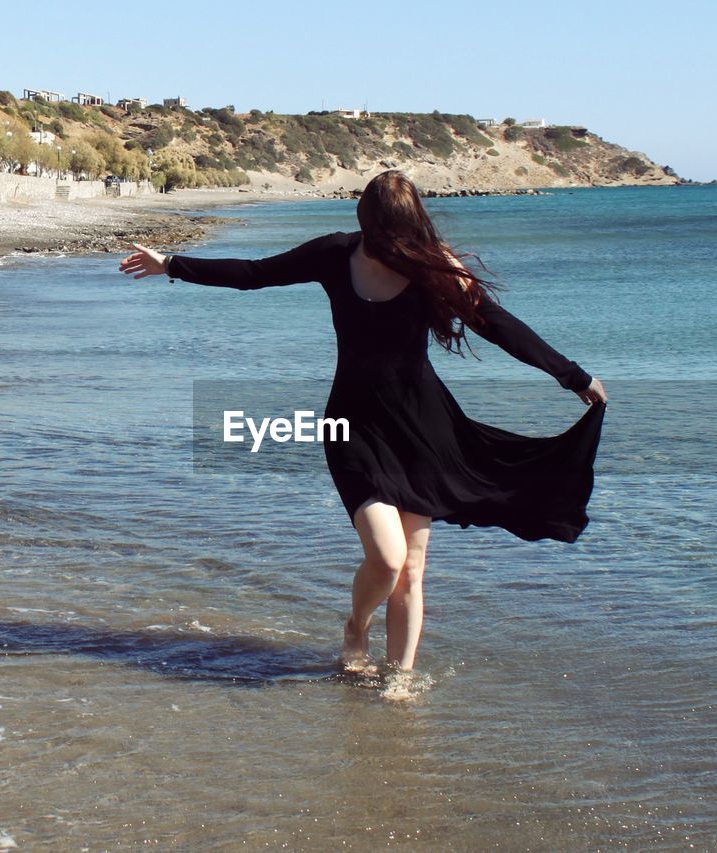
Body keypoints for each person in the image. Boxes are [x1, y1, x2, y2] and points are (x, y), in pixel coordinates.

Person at [119, 170, 607, 674]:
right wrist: (172, 264)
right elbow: (255, 272)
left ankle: (400, 679)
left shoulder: (435, 268)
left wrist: (572, 376)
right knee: (388, 559)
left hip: (421, 428)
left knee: (412, 569)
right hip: (352, 425)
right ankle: (356, 625)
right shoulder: (336, 254)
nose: (389, 243)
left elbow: (497, 326)